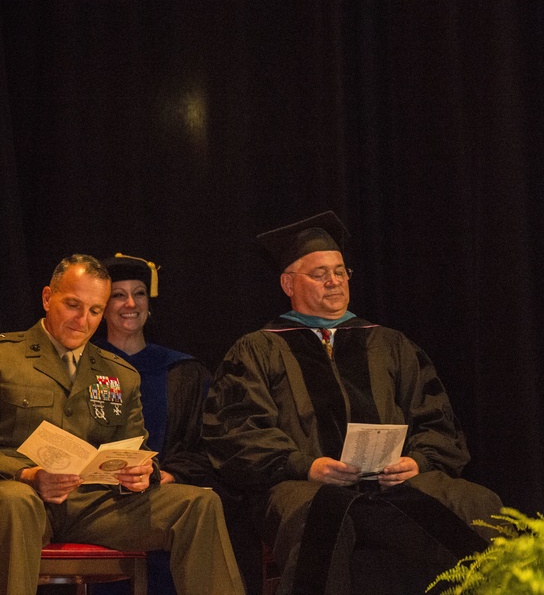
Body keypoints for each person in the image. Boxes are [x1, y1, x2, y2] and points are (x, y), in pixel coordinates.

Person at [203, 211, 501, 595]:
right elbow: (237, 432)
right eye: (320, 273)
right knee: (325, 518)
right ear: (287, 283)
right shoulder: (258, 349)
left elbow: (437, 422)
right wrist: (305, 465)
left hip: (396, 482)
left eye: (340, 271)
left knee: (477, 504)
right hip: (302, 486)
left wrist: (418, 461)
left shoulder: (390, 344)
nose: (334, 282)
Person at [0, 254, 245, 595]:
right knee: (13, 503)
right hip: (23, 500)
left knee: (198, 505)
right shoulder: (6, 358)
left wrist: (143, 473)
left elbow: (138, 449)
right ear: (46, 298)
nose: (83, 320)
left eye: (95, 310)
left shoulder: (119, 373)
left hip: (94, 506)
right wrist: (28, 475)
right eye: (73, 305)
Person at [91, 253, 216, 595]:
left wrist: (168, 475)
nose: (130, 303)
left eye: (139, 293)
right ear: (101, 306)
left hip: (165, 496)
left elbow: (207, 444)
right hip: (97, 500)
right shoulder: (83, 365)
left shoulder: (182, 372)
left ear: (150, 303)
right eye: (118, 295)